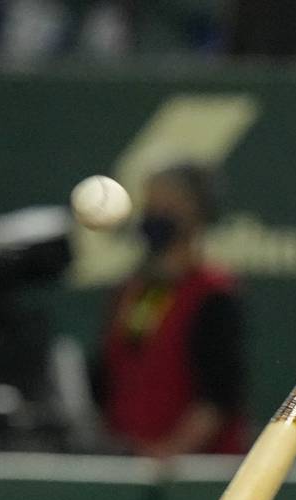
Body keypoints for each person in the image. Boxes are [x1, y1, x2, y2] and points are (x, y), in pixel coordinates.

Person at [98, 163, 247, 457]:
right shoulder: (137, 290)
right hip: (129, 465)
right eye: (150, 205)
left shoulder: (213, 294)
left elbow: (218, 396)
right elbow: (118, 372)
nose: (154, 214)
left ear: (196, 211)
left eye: (166, 205)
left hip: (195, 472)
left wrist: (168, 453)